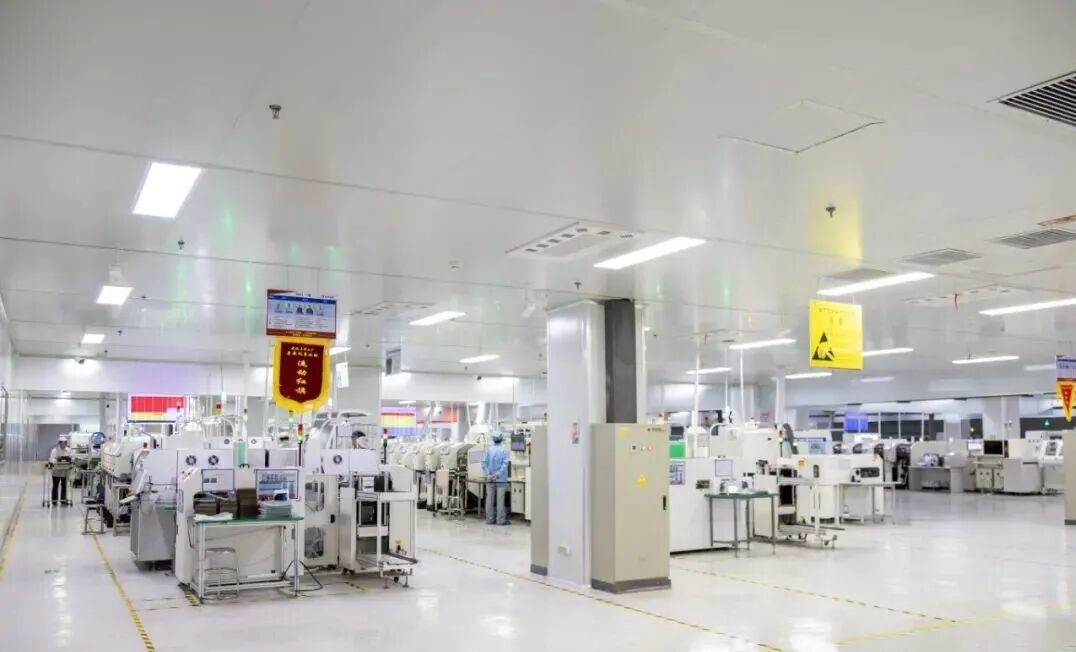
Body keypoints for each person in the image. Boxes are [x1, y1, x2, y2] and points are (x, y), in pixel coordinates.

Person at [482, 433, 510, 525]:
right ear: (501, 439)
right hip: (501, 479)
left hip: (490, 479)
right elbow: (505, 465)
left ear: (493, 439)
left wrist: (489, 474)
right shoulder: (504, 450)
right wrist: (497, 475)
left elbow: (484, 463)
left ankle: (489, 519)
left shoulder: (488, 450)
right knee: (500, 501)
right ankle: (500, 520)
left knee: (489, 500)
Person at [47, 435, 73, 506]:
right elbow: (51, 459)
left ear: (66, 443)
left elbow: (72, 458)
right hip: (56, 471)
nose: (63, 444)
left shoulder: (69, 450)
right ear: (59, 443)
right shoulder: (55, 450)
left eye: (64, 443)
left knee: (64, 486)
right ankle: (54, 501)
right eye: (62, 443)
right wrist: (57, 460)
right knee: (55, 486)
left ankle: (63, 500)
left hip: (65, 471)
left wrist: (69, 460)